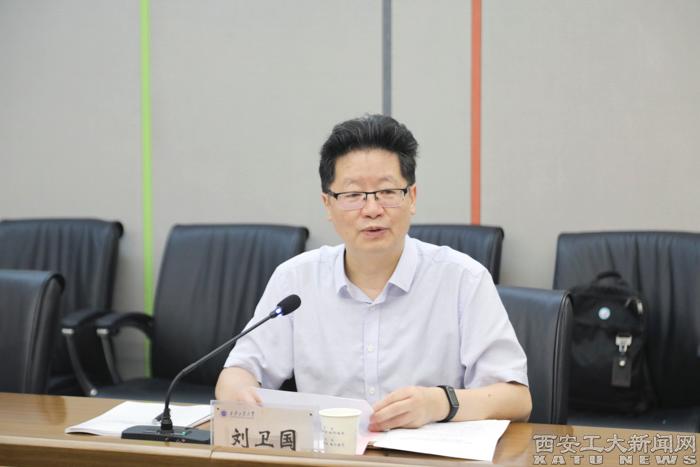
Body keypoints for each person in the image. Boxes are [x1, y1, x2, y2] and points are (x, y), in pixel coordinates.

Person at [216, 114, 531, 430]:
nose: (371, 209)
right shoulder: (295, 280)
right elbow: (239, 372)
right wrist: (238, 393)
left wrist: (438, 403)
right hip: (328, 452)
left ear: (412, 198)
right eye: (353, 195)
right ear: (328, 205)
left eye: (387, 191)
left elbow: (517, 399)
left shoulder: (463, 279)